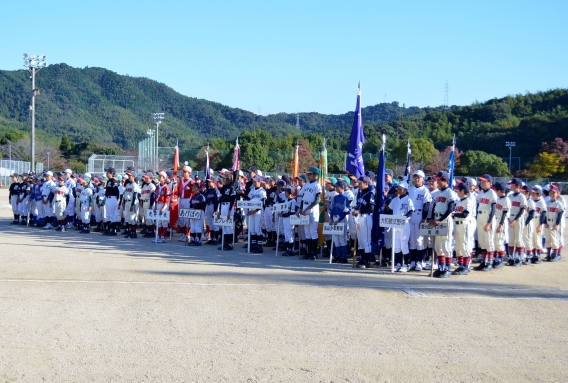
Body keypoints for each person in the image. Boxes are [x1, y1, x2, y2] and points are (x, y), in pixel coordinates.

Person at [429, 171, 456, 278]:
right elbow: (433, 207)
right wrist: (431, 218)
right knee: (438, 246)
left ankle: (447, 269)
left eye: (439, 179)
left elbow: (450, 209)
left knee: (446, 245)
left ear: (445, 180)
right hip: (436, 219)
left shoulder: (450, 193)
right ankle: (441, 268)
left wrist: (439, 220)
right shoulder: (436, 193)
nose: (437, 181)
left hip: (445, 220)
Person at [408, 170, 432, 271]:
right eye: (415, 177)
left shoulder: (425, 190)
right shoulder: (410, 189)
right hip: (410, 214)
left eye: (419, 177)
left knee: (419, 239)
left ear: (423, 179)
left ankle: (420, 261)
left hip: (419, 214)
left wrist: (424, 218)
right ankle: (413, 261)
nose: (417, 179)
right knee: (412, 239)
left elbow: (427, 205)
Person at [388, 181, 414, 272]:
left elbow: (411, 211)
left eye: (401, 188)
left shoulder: (408, 199)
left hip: (404, 225)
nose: (399, 190)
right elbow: (390, 209)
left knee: (404, 245)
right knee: (396, 245)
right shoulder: (395, 199)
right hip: (395, 224)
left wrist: (405, 218)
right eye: (398, 188)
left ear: (405, 190)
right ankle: (398, 263)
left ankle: (406, 264)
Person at [474, 174, 498, 271]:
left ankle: (490, 263)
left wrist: (489, 223)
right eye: (482, 181)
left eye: (484, 181)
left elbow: (493, 209)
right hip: (480, 216)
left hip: (488, 216)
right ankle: (484, 262)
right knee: (482, 241)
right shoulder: (480, 193)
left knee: (489, 240)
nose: (482, 182)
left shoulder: (492, 193)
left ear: (490, 183)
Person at [298, 167, 322, 260]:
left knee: (313, 231)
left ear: (315, 175)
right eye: (307, 174)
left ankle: (314, 253)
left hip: (312, 209)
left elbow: (318, 200)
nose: (308, 176)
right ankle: (308, 252)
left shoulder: (317, 185)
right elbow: (302, 198)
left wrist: (307, 208)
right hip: (305, 207)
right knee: (307, 232)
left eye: (310, 174)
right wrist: (300, 209)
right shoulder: (306, 184)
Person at [353, 175, 375, 269]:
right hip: (360, 218)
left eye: (360, 183)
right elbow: (358, 205)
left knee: (366, 241)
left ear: (366, 183)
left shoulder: (370, 193)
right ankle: (362, 259)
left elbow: (371, 208)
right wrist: (356, 210)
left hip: (367, 217)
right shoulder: (360, 192)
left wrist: (359, 211)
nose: (359, 184)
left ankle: (367, 261)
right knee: (361, 241)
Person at [452, 183, 473, 275]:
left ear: (463, 191)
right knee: (458, 246)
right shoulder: (458, 201)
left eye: (458, 190)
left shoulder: (468, 201)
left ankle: (466, 266)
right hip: (457, 224)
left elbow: (465, 214)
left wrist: (454, 214)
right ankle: (461, 266)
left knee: (465, 245)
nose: (457, 191)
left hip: (464, 224)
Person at [328, 180, 351, 263]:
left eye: (338, 187)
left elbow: (346, 211)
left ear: (342, 188)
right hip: (334, 219)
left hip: (341, 219)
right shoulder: (335, 197)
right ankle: (338, 256)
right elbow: (331, 209)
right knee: (336, 239)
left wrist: (339, 220)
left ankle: (344, 257)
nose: (336, 188)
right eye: (336, 187)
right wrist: (330, 218)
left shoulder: (345, 198)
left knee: (342, 239)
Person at [506, 178, 527, 266]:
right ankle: (512, 258)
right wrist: (508, 219)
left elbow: (522, 210)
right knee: (511, 240)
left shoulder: (522, 197)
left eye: (513, 185)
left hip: (518, 219)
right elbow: (507, 208)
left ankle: (520, 258)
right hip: (510, 218)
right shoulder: (509, 196)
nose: (511, 186)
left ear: (518, 186)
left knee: (518, 239)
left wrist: (514, 220)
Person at [217, 172, 238, 251]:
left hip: (229, 206)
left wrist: (229, 211)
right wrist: (219, 211)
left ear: (228, 179)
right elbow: (220, 199)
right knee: (224, 226)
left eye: (224, 178)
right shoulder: (223, 187)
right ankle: (225, 243)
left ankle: (230, 244)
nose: (223, 180)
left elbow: (232, 200)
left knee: (229, 226)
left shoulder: (232, 187)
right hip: (223, 206)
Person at [491, 182, 510, 269]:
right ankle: (495, 259)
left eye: (496, 189)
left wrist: (501, 224)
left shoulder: (506, 199)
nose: (494, 191)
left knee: (499, 242)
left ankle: (501, 260)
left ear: (499, 190)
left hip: (501, 221)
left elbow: (505, 213)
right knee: (495, 241)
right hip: (495, 220)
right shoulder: (498, 198)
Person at [247, 175, 267, 253]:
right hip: (251, 211)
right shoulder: (252, 190)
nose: (254, 182)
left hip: (258, 212)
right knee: (252, 229)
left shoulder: (262, 191)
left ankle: (259, 247)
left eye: (255, 181)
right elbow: (248, 199)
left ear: (259, 182)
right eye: (253, 181)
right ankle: (253, 246)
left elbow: (263, 203)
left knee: (257, 229)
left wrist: (254, 210)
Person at [544, 185, 564, 261]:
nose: (552, 195)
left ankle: (555, 255)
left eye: (554, 193)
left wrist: (556, 224)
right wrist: (545, 222)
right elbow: (545, 214)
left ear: (557, 194)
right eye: (550, 193)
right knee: (548, 239)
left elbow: (560, 215)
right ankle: (548, 254)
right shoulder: (547, 203)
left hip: (554, 223)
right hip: (547, 223)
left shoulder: (559, 203)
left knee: (555, 239)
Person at [153, 171, 171, 243]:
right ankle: (159, 236)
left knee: (164, 222)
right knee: (158, 222)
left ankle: (163, 237)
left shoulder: (166, 187)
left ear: (164, 178)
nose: (159, 177)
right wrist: (155, 206)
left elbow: (167, 198)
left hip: (164, 205)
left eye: (161, 176)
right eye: (159, 176)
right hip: (158, 204)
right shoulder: (157, 186)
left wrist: (164, 207)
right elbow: (155, 197)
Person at [177, 167, 194, 242]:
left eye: (185, 171)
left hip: (188, 200)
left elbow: (194, 192)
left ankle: (188, 235)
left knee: (187, 219)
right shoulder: (181, 181)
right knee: (181, 219)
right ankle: (184, 234)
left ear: (189, 173)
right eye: (183, 171)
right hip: (181, 199)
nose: (183, 173)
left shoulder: (191, 182)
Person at [279, 187, 298, 256]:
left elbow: (292, 212)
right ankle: (288, 249)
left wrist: (283, 215)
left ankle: (291, 250)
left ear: (290, 193)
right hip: (285, 218)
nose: (285, 193)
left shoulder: (293, 201)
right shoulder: (286, 200)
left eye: (286, 192)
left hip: (290, 218)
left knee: (289, 234)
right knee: (286, 234)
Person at [123, 171, 141, 239]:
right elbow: (125, 195)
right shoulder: (127, 185)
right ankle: (130, 232)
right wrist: (124, 203)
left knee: (133, 218)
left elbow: (134, 195)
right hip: (127, 202)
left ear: (134, 177)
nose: (128, 177)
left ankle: (134, 233)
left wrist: (132, 205)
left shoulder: (135, 185)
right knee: (128, 218)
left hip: (132, 203)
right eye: (128, 175)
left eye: (130, 176)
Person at [103, 168, 121, 236]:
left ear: (111, 173)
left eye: (108, 172)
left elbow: (117, 190)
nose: (106, 173)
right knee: (107, 215)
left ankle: (113, 230)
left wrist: (118, 198)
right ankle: (109, 229)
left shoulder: (114, 181)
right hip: (108, 198)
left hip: (113, 198)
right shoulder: (109, 181)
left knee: (112, 215)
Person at [188, 181, 206, 246]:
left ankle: (198, 240)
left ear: (198, 188)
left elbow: (203, 205)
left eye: (195, 187)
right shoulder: (193, 197)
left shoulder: (201, 196)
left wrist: (198, 210)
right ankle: (193, 239)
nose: (193, 187)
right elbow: (190, 205)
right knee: (193, 227)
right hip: (193, 213)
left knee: (198, 227)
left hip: (199, 212)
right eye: (193, 186)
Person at [204, 176, 221, 245]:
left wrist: (215, 210)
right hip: (208, 206)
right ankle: (211, 238)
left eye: (210, 182)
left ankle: (215, 239)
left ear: (214, 183)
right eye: (208, 182)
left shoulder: (216, 191)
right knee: (210, 223)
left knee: (215, 224)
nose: (208, 183)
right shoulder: (207, 190)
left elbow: (217, 201)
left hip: (214, 206)